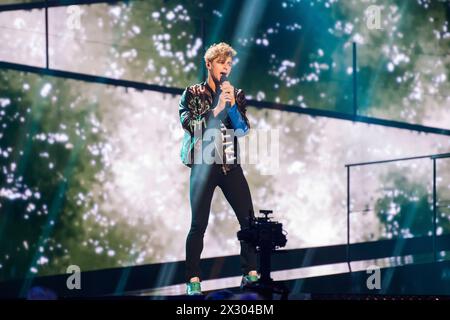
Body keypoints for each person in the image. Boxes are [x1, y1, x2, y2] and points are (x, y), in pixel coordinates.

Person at [179, 42, 259, 295]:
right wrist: (217, 110)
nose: (225, 67)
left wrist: (232, 106)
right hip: (203, 167)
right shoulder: (192, 93)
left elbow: (243, 130)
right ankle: (193, 280)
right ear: (209, 64)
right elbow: (190, 125)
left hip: (229, 165)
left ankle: (251, 273)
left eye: (229, 63)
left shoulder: (235, 94)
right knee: (198, 225)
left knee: (249, 221)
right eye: (221, 62)